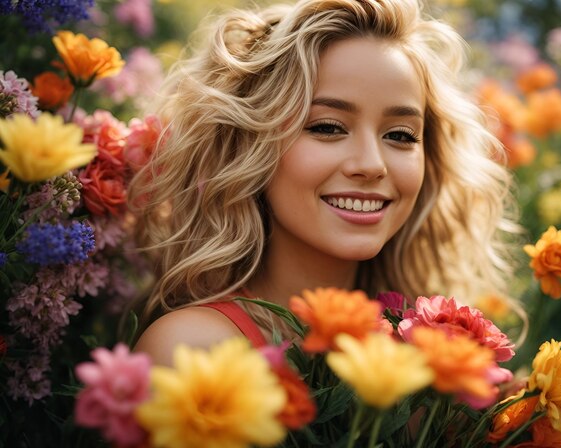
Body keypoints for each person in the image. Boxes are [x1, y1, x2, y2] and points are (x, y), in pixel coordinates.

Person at [129, 0, 518, 366]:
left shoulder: (431, 372)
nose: (371, 165)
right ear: (248, 145)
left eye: (400, 135)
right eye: (327, 127)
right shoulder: (191, 352)